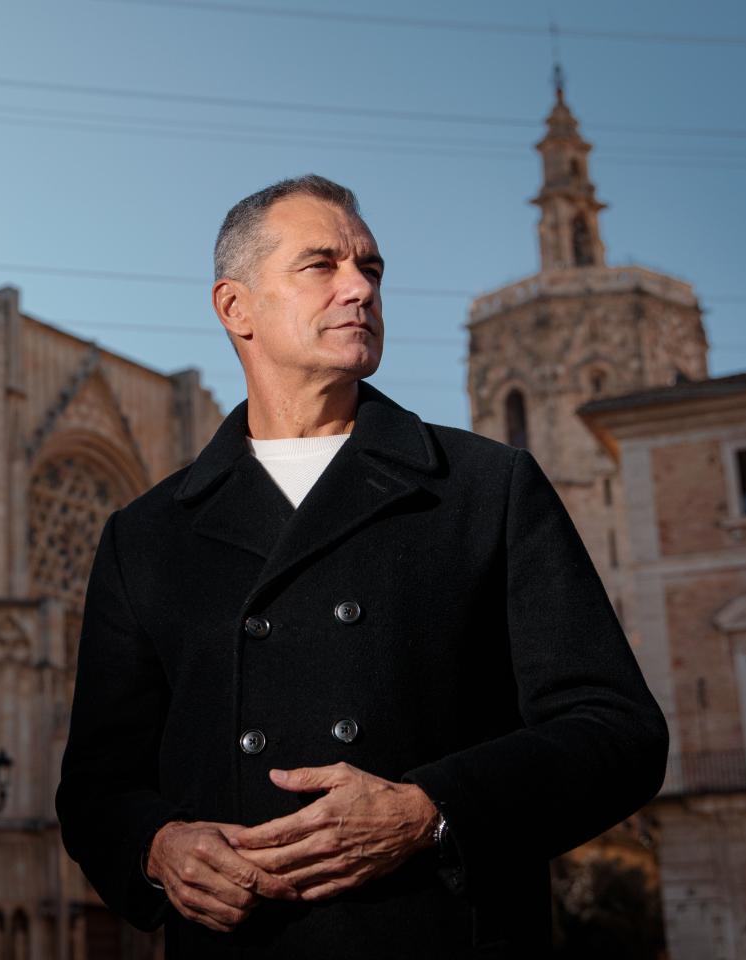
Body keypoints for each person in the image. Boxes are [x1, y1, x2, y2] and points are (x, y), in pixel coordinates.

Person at [54, 174, 668, 957]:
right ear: (234, 307)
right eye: (322, 266)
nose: (360, 290)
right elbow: (96, 788)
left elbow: (618, 732)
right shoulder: (146, 537)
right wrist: (156, 847)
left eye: (370, 269)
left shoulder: (485, 487)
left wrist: (431, 811)